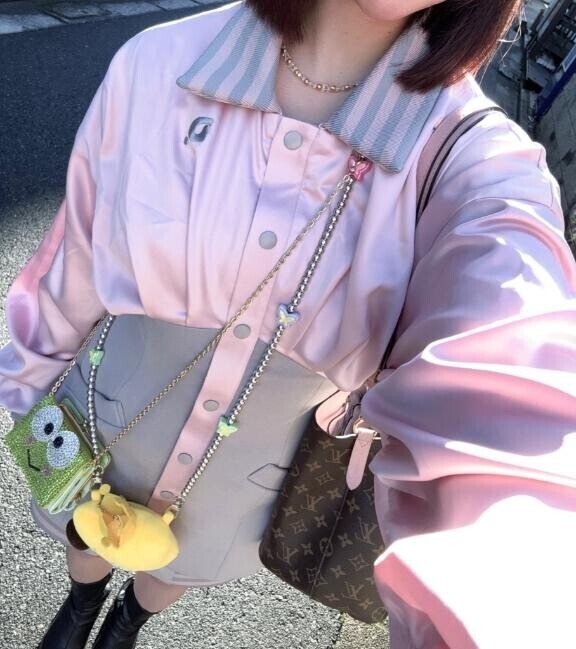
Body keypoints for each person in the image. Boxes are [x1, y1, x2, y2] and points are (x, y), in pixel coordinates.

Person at [1, 0, 575, 647]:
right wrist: (26, 386)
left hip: (244, 479)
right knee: (83, 537)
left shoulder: (471, 161)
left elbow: (517, 378)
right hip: (104, 420)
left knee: (175, 565)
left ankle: (126, 622)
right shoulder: (162, 63)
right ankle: (81, 604)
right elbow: (73, 260)